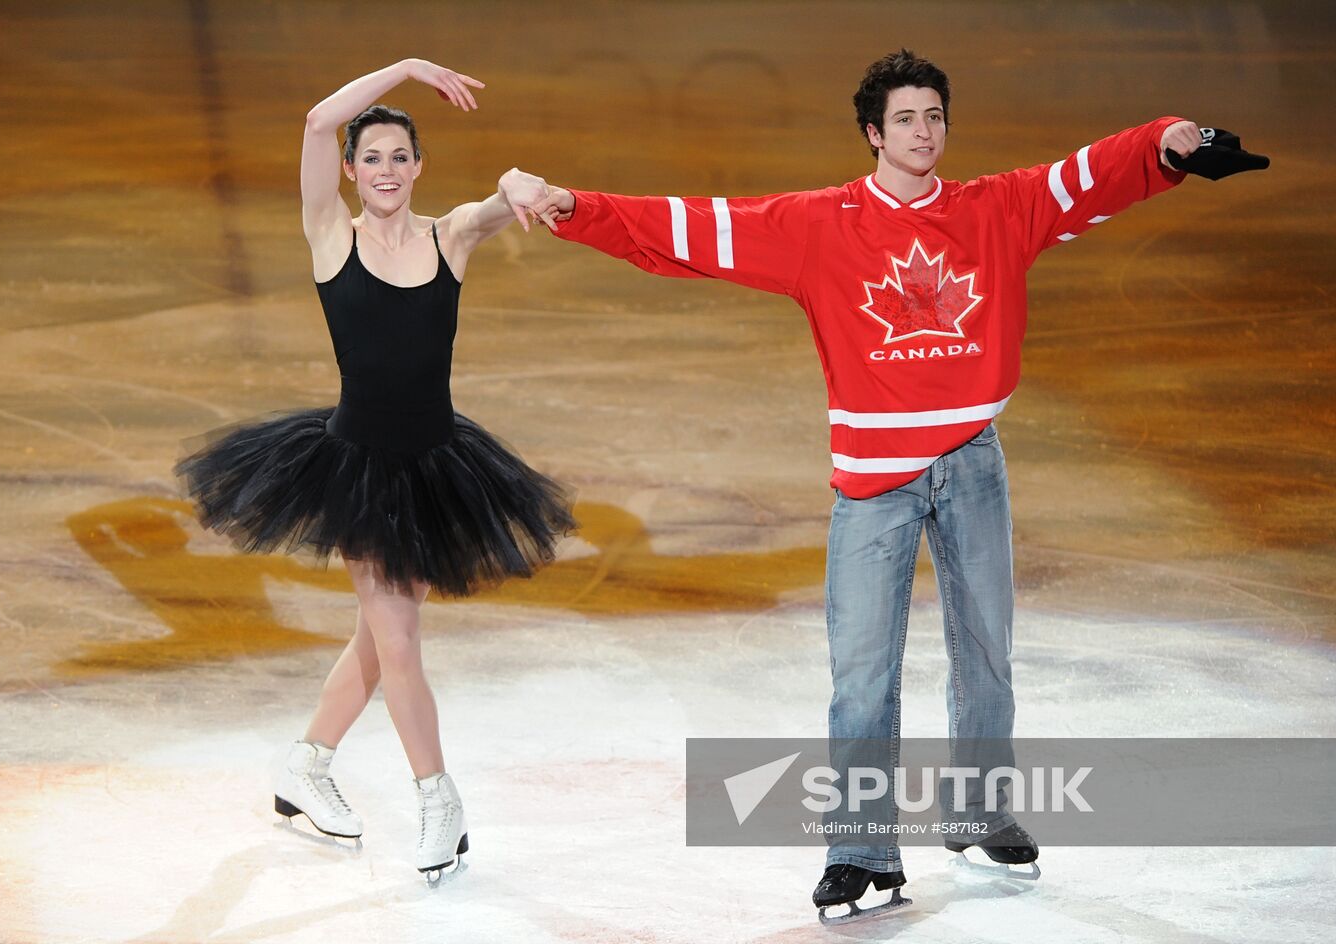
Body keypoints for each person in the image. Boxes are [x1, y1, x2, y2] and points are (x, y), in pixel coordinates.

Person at [505, 48, 1266, 922]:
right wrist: (573, 207)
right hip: (873, 480)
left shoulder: (995, 209)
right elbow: (692, 228)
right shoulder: (819, 223)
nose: (923, 133)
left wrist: (1170, 141)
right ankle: (862, 850)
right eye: (904, 119)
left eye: (934, 117)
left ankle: (981, 813)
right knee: (862, 671)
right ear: (873, 133)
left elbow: (1083, 178)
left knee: (987, 653)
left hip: (974, 461)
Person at [176, 56, 575, 885]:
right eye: (373, 158)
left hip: (436, 465)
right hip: (358, 468)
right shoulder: (331, 235)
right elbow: (319, 122)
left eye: (400, 157)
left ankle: (306, 764)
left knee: (376, 639)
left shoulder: (449, 236)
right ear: (352, 172)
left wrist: (514, 183)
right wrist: (407, 69)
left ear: (418, 167)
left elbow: (506, 203)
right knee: (397, 641)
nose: (386, 171)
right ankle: (439, 800)